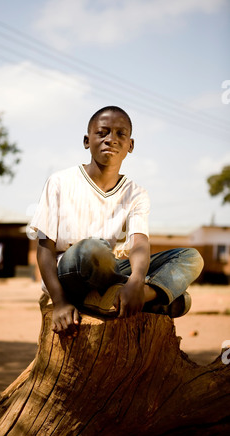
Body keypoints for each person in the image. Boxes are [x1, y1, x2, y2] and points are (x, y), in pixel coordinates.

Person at [27, 106, 204, 338]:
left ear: (130, 145)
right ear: (86, 141)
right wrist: (59, 302)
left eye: (120, 134)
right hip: (71, 272)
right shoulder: (60, 182)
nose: (111, 139)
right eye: (102, 132)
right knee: (91, 249)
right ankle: (155, 296)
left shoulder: (136, 193)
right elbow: (44, 249)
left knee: (191, 258)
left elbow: (139, 244)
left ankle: (122, 296)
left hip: (112, 270)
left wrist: (136, 282)